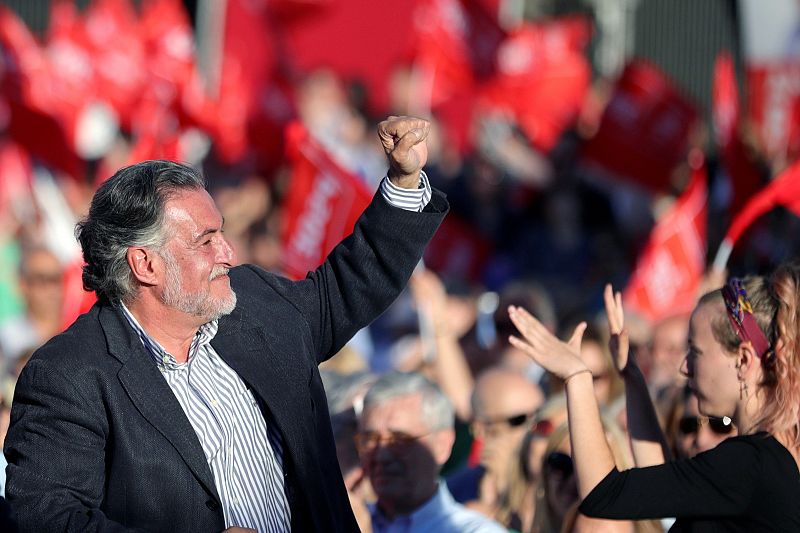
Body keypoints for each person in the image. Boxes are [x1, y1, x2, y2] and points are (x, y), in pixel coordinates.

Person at [4, 116, 448, 532]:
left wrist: (403, 184)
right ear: (145, 263)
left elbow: (347, 286)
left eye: (222, 233)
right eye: (206, 240)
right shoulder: (69, 376)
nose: (228, 254)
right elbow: (46, 516)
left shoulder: (253, 305)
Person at [507, 266, 800, 530]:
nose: (684, 367)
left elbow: (602, 494)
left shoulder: (749, 463)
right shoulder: (761, 460)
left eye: (695, 352)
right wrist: (633, 379)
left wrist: (576, 376)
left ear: (744, 359)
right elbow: (655, 483)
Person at [356, 371, 506, 533]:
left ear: (442, 445)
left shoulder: (474, 530)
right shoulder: (344, 518)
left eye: (400, 439)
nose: (381, 455)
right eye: (370, 438)